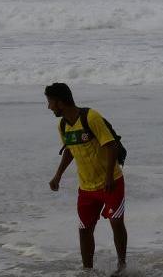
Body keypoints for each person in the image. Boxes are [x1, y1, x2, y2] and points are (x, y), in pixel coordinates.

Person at [45, 83, 127, 275]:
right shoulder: (63, 125)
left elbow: (112, 146)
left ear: (60, 102)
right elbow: (69, 151)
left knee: (116, 222)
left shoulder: (91, 117)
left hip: (111, 182)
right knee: (84, 229)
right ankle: (87, 271)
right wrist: (57, 176)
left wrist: (108, 178)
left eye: (50, 102)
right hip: (86, 188)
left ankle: (122, 267)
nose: (49, 107)